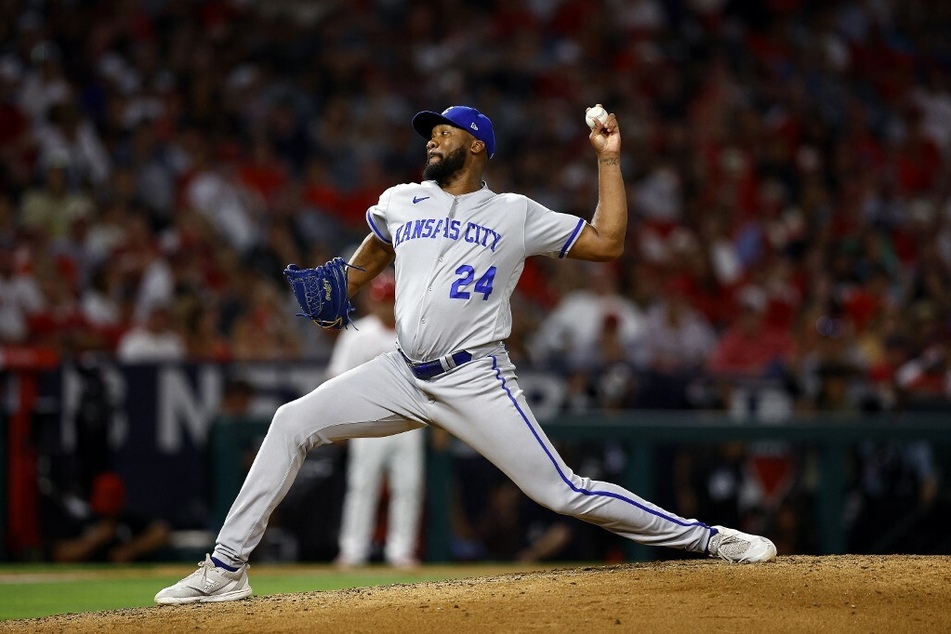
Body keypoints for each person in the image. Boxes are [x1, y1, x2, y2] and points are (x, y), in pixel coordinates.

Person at [155, 104, 776, 605]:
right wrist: (340, 285)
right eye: (430, 133)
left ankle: (710, 538)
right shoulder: (403, 198)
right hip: (401, 371)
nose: (432, 140)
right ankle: (225, 568)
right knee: (290, 421)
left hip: (475, 376)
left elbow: (608, 242)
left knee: (563, 493)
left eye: (444, 133)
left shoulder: (515, 213)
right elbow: (368, 258)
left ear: (476, 146)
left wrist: (608, 162)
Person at [331, 270, 426, 569]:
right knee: (362, 485)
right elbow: (337, 379)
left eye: (389, 301)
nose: (384, 307)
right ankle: (352, 551)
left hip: (408, 421)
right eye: (380, 300)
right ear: (372, 302)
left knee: (408, 487)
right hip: (367, 421)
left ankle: (401, 552)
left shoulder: (412, 332)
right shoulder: (358, 332)